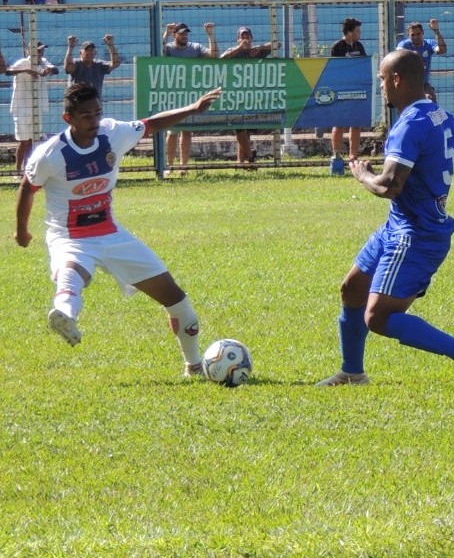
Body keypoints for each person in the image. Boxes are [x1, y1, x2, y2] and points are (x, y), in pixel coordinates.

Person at [14, 81, 223, 377]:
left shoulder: (113, 133)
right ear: (68, 119)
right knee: (73, 273)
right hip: (70, 237)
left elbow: (151, 124)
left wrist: (193, 108)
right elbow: (27, 188)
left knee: (178, 300)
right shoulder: (51, 154)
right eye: (86, 116)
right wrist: (22, 230)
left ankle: (194, 366)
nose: (94, 121)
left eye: (97, 113)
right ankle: (64, 314)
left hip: (112, 234)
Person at [316, 49, 454, 387]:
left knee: (378, 316)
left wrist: (360, 174)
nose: (381, 86)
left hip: (415, 235)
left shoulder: (409, 124)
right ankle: (352, 372)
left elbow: (389, 186)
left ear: (396, 79)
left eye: (383, 79)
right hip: (397, 227)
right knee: (352, 289)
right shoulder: (437, 113)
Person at [162, 22, 218, 175]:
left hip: (191, 95)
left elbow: (214, 56)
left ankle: (183, 166)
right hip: (173, 95)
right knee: (172, 131)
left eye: (186, 33)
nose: (184, 36)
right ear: (175, 35)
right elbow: (158, 53)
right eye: (181, 33)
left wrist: (210, 35)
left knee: (187, 132)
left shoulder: (195, 47)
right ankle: (169, 166)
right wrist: (165, 34)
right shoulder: (169, 48)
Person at [220, 26, 274, 166]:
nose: (245, 39)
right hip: (235, 97)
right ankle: (250, 157)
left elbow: (276, 44)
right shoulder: (233, 52)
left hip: (252, 97)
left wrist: (258, 48)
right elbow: (222, 59)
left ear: (251, 38)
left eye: (247, 36)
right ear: (238, 39)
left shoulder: (256, 51)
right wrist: (239, 48)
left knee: (246, 132)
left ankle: (241, 162)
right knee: (239, 129)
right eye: (242, 36)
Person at [7, 43, 59, 175]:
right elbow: (8, 72)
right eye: (38, 50)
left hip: (37, 107)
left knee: (32, 141)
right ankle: (18, 171)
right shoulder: (23, 62)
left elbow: (55, 69)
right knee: (23, 141)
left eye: (42, 50)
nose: (41, 53)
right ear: (30, 51)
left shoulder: (44, 62)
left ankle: (27, 169)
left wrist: (48, 70)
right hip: (22, 108)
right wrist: (26, 70)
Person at [329, 17, 368, 171]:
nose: (360, 34)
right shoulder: (337, 47)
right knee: (339, 123)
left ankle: (353, 156)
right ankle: (337, 154)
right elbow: (334, 69)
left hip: (357, 90)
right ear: (350, 32)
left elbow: (364, 65)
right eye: (357, 31)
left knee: (356, 123)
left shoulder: (359, 46)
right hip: (341, 90)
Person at [397, 19, 447, 101]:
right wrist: (413, 54)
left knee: (431, 98)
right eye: (412, 35)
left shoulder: (429, 44)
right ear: (408, 35)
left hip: (423, 84)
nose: (416, 37)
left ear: (423, 33)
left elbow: (442, 50)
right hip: (406, 84)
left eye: (418, 34)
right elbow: (398, 52)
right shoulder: (404, 44)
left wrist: (436, 31)